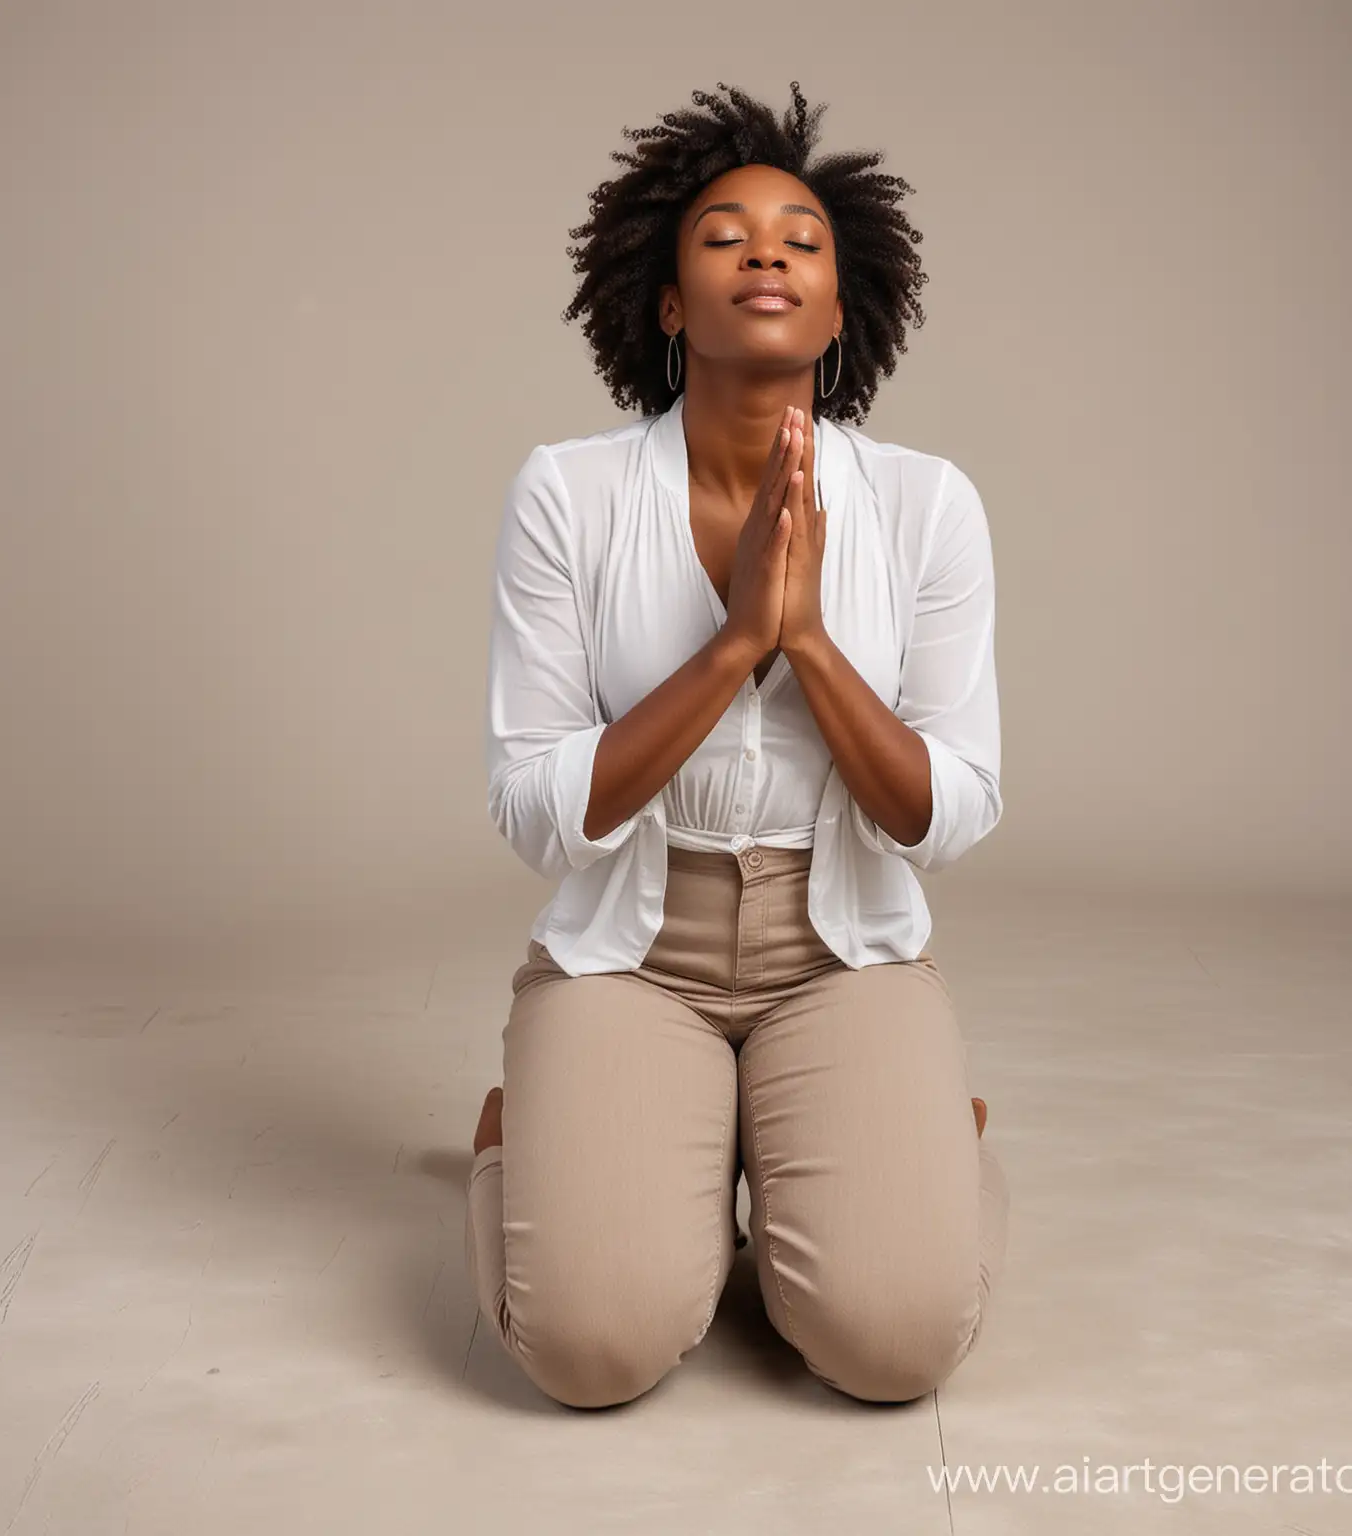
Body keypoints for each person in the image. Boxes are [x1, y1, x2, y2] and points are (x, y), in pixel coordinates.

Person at [467, 81, 1009, 1409]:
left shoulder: (927, 507)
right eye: (723, 235)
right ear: (666, 303)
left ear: (840, 309)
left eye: (802, 240)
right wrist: (726, 648)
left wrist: (810, 642)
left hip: (842, 957)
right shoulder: (569, 493)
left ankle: (929, 1133)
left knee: (893, 1346)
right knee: (594, 1352)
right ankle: (515, 1139)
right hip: (628, 957)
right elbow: (536, 808)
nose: (766, 251)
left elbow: (951, 810)